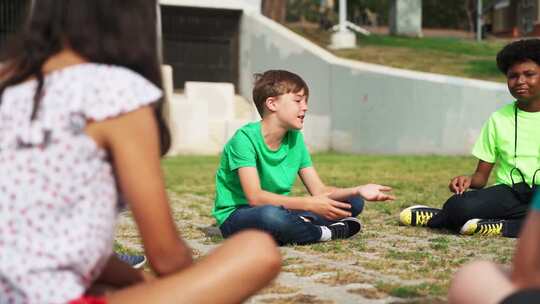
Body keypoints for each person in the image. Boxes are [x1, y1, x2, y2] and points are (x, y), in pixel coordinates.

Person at [0, 1, 280, 303]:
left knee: (117, 281)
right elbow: (166, 257)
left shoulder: (9, 82)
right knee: (257, 250)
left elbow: (42, 243)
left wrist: (141, 283)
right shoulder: (114, 91)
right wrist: (187, 285)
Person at [213, 70, 394, 246]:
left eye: (305, 101)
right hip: (239, 215)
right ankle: (324, 233)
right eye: (298, 100)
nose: (305, 107)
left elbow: (320, 191)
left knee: (353, 203)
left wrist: (357, 190)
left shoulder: (295, 138)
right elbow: (255, 197)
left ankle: (296, 225)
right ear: (272, 103)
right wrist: (309, 204)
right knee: (271, 216)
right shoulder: (244, 139)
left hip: (281, 210)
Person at [399, 39, 540, 238]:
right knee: (458, 205)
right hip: (510, 193)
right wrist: (466, 180)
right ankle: (464, 218)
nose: (520, 81)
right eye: (513, 76)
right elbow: (481, 179)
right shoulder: (499, 119)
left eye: (529, 74)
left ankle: (499, 226)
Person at [448, 192, 540, 304]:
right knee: (459, 206)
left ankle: (504, 226)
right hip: (514, 192)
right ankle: (440, 217)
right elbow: (479, 180)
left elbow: (525, 277)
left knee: (474, 275)